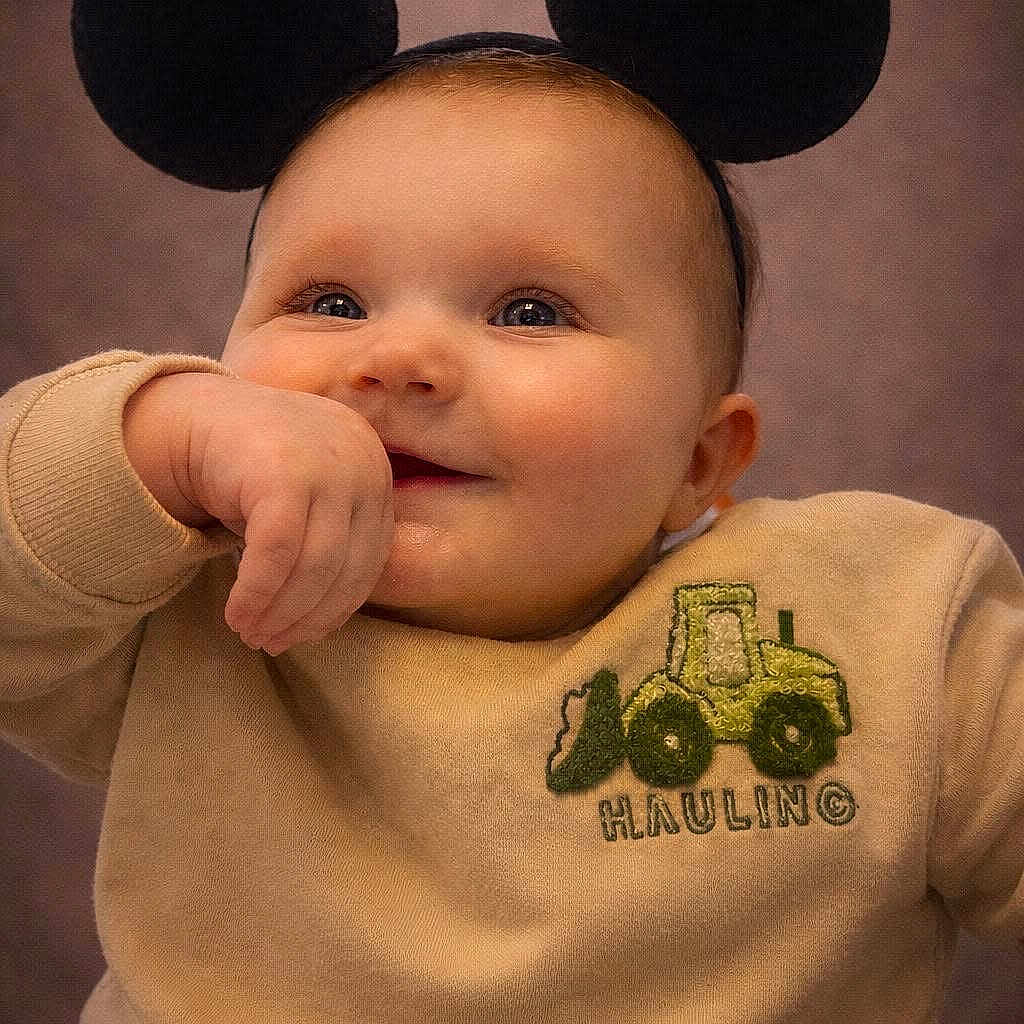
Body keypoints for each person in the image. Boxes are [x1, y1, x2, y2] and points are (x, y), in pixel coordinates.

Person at [3, 5, 1022, 1023]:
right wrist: (159, 433)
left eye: (528, 311)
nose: (396, 358)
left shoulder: (890, 632)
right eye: (330, 302)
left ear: (698, 459)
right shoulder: (184, 594)